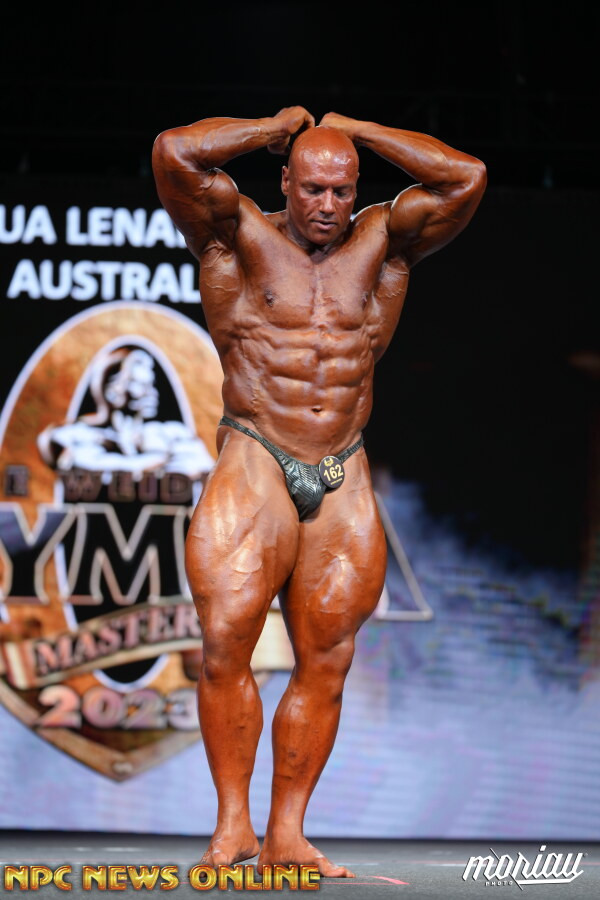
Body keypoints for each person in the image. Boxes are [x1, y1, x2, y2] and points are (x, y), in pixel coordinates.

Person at [152, 107, 486, 876]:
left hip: (342, 463)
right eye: (311, 188)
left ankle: (287, 834)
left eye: (341, 190)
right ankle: (233, 827)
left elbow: (466, 177)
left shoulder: (384, 239)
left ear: (357, 188)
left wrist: (359, 131)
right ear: (285, 181)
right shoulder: (234, 233)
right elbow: (174, 153)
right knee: (226, 639)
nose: (327, 205)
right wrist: (272, 126)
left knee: (328, 657)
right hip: (257, 452)